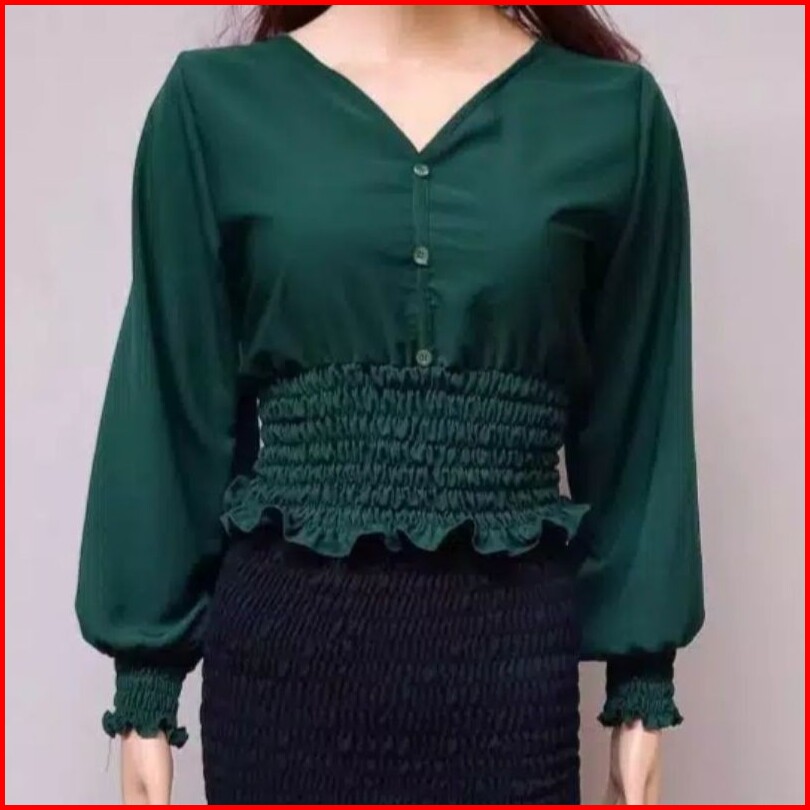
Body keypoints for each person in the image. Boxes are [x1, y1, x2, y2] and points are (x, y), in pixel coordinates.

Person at [75, 5, 705, 805]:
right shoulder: (213, 108)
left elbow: (639, 421)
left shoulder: (613, 116)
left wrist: (642, 686)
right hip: (283, 682)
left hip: (509, 682)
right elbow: (172, 400)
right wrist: (146, 690)